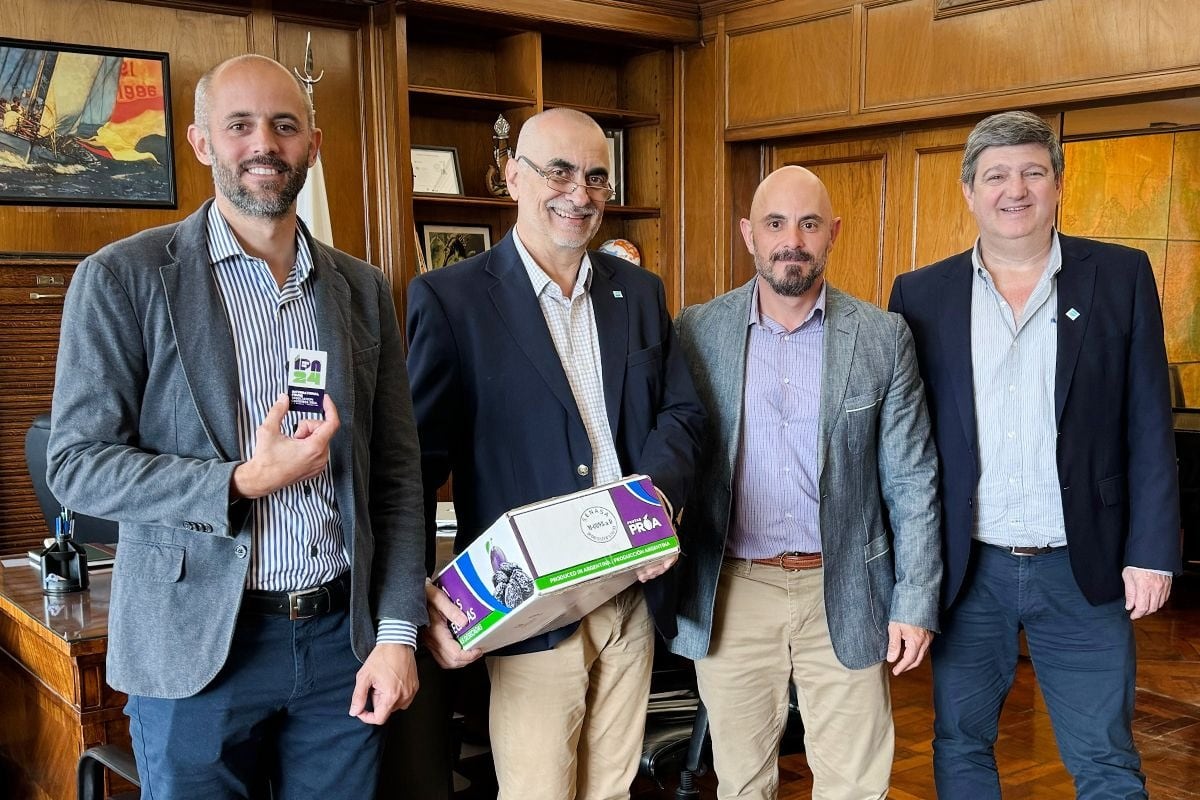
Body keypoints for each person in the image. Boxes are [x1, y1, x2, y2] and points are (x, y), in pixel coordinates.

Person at [46, 54, 427, 798]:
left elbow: (397, 476)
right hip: (196, 652)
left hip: (339, 646)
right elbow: (77, 463)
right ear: (200, 143)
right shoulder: (123, 276)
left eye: (285, 126)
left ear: (311, 146)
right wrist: (240, 481)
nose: (265, 144)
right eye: (241, 125)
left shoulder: (360, 288)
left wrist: (396, 633)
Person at [406, 106, 705, 800]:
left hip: (632, 590)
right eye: (559, 171)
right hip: (532, 614)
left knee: (611, 791)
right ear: (513, 177)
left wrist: (654, 502)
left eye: (596, 177)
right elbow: (415, 463)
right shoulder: (450, 299)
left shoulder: (639, 291)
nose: (580, 193)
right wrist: (418, 592)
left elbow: (683, 412)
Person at [888, 110, 1181, 799]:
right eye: (995, 176)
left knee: (1106, 759)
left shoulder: (1120, 275)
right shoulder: (920, 295)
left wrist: (1152, 549)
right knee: (960, 744)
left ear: (1057, 184)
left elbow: (1147, 421)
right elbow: (905, 444)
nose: (1013, 190)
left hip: (1085, 565)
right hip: (969, 571)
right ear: (968, 191)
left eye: (1030, 172)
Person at [669, 165, 942, 800]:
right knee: (742, 782)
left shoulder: (881, 336)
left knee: (854, 783)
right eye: (775, 223)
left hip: (843, 586)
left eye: (809, 223)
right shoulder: (696, 331)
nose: (793, 239)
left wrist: (913, 599)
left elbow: (912, 477)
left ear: (833, 234)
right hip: (734, 588)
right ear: (749, 234)